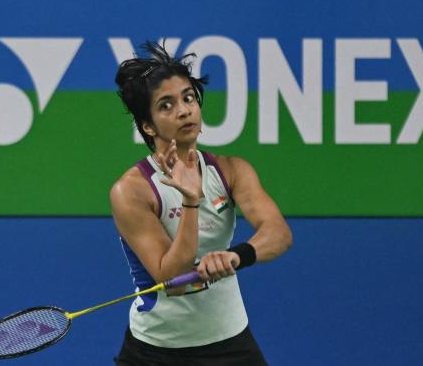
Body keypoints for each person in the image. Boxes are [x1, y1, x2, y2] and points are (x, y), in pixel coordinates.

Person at [110, 42, 293, 365]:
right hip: (155, 351)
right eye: (166, 105)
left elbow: (278, 233)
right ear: (148, 126)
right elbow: (172, 280)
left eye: (188, 98)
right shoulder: (132, 191)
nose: (184, 110)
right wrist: (191, 202)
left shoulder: (231, 170)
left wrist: (235, 256)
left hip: (229, 341)